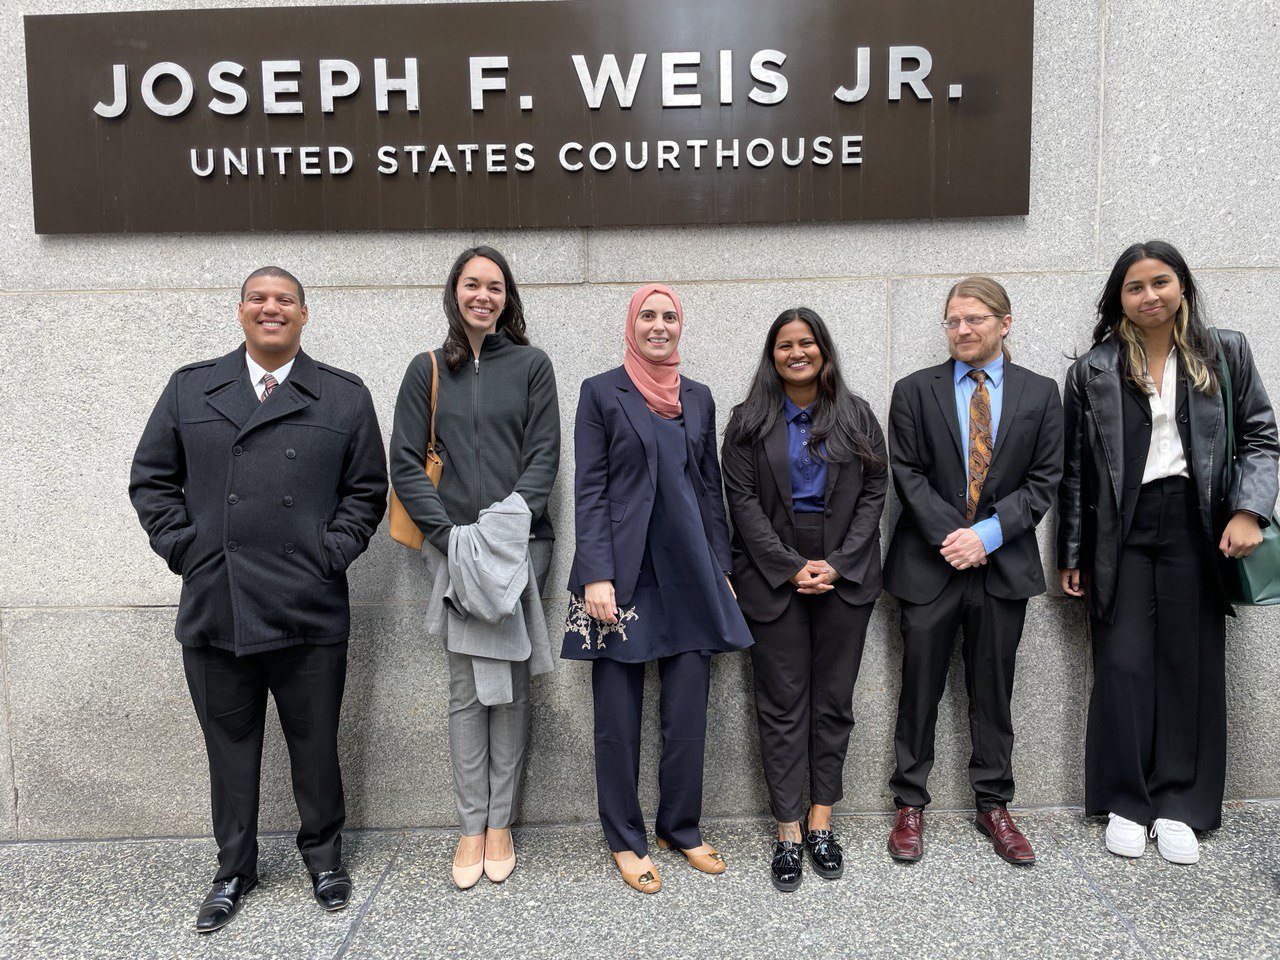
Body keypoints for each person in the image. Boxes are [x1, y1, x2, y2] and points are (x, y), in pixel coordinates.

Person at [129, 266, 387, 933]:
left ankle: (325, 860)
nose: (271, 309)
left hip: (310, 609)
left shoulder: (342, 396)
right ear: (241, 311)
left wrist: (328, 556)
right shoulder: (192, 389)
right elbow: (152, 481)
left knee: (315, 744)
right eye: (259, 299)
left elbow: (366, 493)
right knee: (230, 749)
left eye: (285, 301)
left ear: (304, 315)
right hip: (219, 606)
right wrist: (191, 551)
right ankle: (233, 869)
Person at [1058, 240, 1278, 865]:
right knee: (1123, 662)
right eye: (1135, 286)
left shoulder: (1224, 352)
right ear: (1118, 297)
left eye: (1160, 282)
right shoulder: (1093, 370)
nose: (1149, 295)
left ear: (1181, 286)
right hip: (1121, 532)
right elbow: (1075, 472)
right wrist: (1072, 551)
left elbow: (1261, 435)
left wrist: (1247, 510)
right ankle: (1127, 800)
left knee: (1190, 662)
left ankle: (1180, 802)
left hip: (1197, 524)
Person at [562, 283, 753, 894]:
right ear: (631, 323)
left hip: (690, 571)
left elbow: (708, 489)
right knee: (617, 715)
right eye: (648, 315)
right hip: (621, 574)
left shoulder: (698, 398)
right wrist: (596, 572)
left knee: (687, 710)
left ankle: (681, 826)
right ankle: (624, 836)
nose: (659, 325)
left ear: (681, 326)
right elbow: (589, 488)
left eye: (669, 316)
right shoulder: (600, 391)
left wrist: (721, 563)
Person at [390, 246, 560, 889]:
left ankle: (501, 824)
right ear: (454, 292)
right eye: (471, 284)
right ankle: (470, 825)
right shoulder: (426, 368)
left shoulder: (533, 366)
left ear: (507, 296)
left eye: (494, 286)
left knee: (510, 686)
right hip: (455, 548)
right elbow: (404, 461)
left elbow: (545, 455)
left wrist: (505, 528)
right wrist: (451, 534)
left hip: (521, 548)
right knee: (467, 691)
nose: (482, 295)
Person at [882, 276, 1063, 866]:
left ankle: (993, 804)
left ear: (1004, 323)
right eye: (953, 321)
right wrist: (952, 538)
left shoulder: (1041, 394)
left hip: (1001, 565)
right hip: (928, 566)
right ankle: (909, 803)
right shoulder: (913, 390)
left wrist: (984, 537)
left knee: (994, 691)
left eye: (975, 319)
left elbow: (1045, 481)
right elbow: (906, 473)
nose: (962, 330)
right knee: (919, 689)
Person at [720, 307, 887, 891]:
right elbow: (740, 503)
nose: (797, 352)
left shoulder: (856, 414)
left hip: (846, 569)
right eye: (786, 345)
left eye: (807, 342)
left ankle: (822, 822)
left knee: (833, 703)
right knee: (781, 705)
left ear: (824, 349)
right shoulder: (746, 422)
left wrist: (838, 565)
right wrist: (791, 568)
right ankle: (788, 831)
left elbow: (875, 493)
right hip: (773, 574)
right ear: (772, 356)